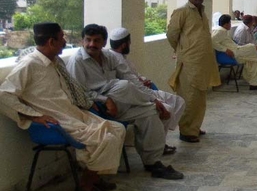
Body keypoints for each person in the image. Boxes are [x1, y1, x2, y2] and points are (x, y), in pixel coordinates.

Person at [0, 22, 125, 191]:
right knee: (106, 138)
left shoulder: (55, 62)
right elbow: (4, 95)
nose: (65, 42)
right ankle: (85, 186)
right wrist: (33, 116)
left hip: (73, 113)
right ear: (52, 42)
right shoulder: (29, 64)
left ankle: (95, 177)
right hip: (60, 121)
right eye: (62, 38)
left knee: (118, 129)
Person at [67, 24, 183, 179]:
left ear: (104, 42)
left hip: (121, 103)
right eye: (88, 40)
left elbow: (132, 79)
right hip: (99, 108)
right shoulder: (77, 61)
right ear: (82, 41)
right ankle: (147, 102)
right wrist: (105, 99)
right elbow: (79, 93)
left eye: (96, 40)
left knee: (153, 112)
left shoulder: (109, 57)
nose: (92, 44)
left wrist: (154, 100)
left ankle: (152, 162)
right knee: (123, 86)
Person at [107, 27, 186, 155]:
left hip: (144, 89)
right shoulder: (115, 59)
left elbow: (134, 75)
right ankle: (159, 144)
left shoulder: (122, 57)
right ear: (124, 44)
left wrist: (144, 80)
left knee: (179, 102)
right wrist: (146, 88)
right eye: (129, 42)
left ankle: (160, 139)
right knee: (166, 110)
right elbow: (130, 82)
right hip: (136, 95)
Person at [166, 0, 221, 143]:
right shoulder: (181, 12)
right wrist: (182, 50)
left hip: (203, 62)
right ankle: (186, 131)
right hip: (189, 63)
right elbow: (172, 34)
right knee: (189, 96)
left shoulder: (202, 12)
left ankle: (194, 127)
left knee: (200, 97)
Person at [212, 14, 257, 90]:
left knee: (253, 61)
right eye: (230, 23)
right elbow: (212, 42)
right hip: (234, 52)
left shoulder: (223, 31)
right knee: (251, 47)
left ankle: (253, 84)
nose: (230, 25)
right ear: (226, 24)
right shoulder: (219, 31)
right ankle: (250, 75)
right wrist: (225, 50)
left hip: (236, 50)